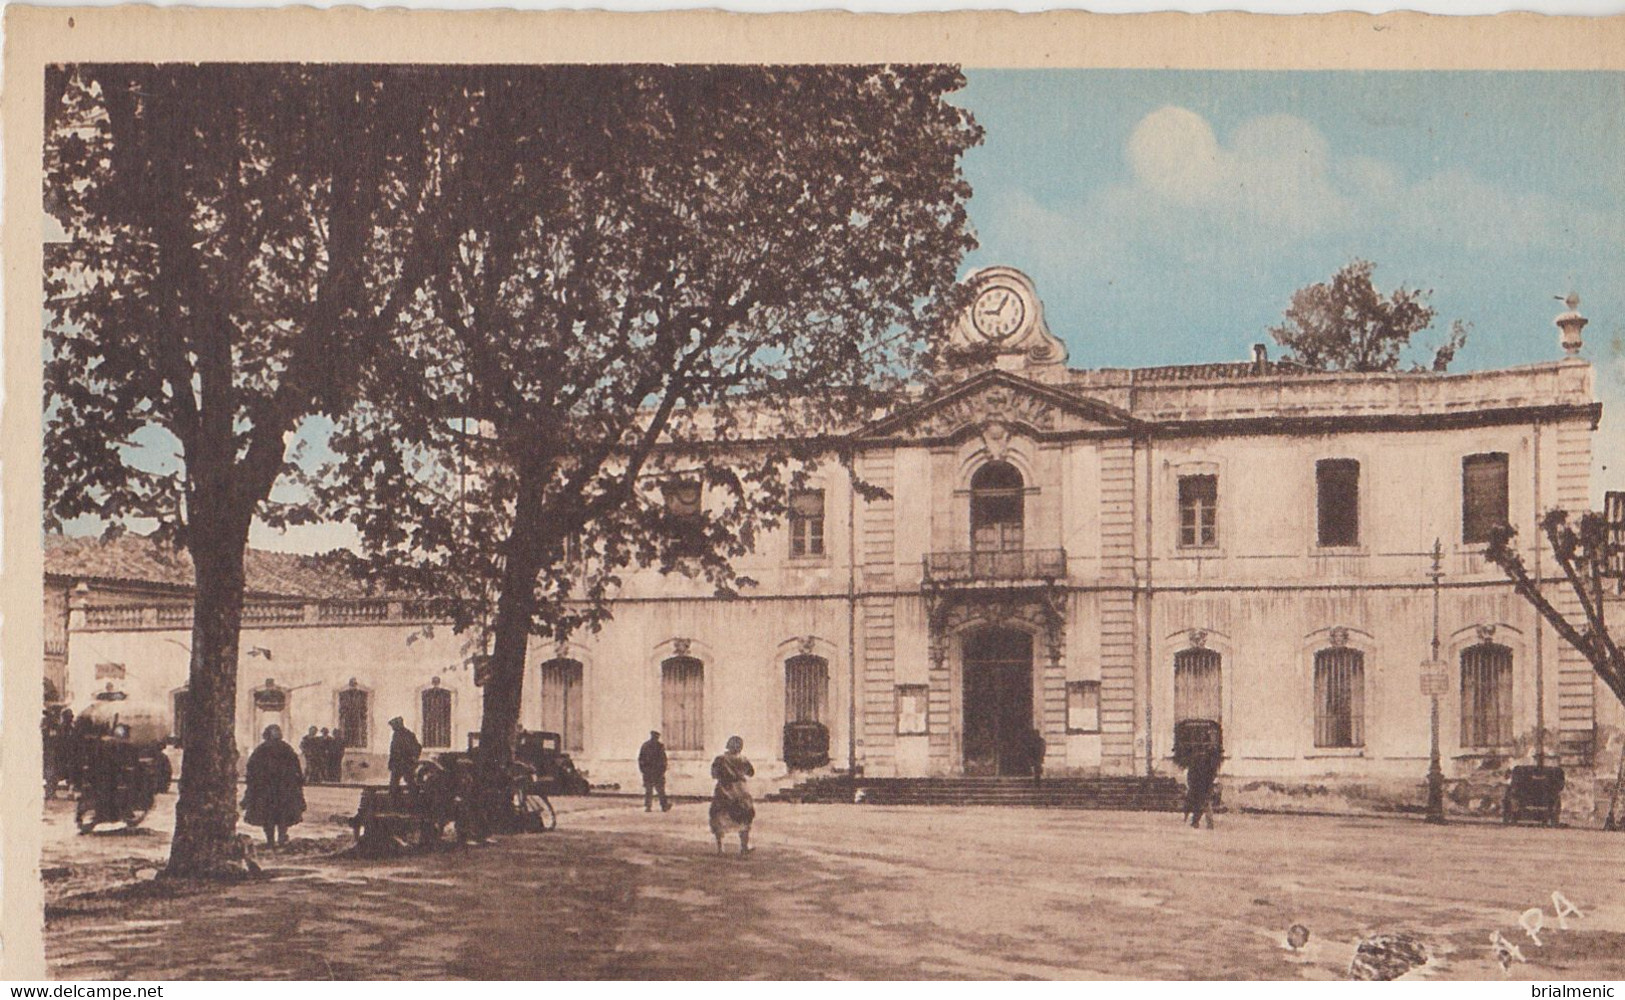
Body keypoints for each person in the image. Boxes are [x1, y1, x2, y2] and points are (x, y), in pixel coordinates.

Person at [242, 724, 305, 846]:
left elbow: (251, 768)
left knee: (270, 816)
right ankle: (278, 839)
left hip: (271, 790)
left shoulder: (262, 749)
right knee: (280, 815)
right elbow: (296, 767)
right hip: (277, 789)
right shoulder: (284, 748)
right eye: (275, 732)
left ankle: (273, 840)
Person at [709, 735, 755, 855]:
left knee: (719, 816)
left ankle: (720, 848)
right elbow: (751, 773)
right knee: (745, 815)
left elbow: (714, 774)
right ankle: (744, 846)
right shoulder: (743, 759)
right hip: (740, 790)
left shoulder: (720, 759)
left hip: (723, 789)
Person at [1185, 744, 1221, 829]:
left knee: (1200, 804)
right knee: (1205, 804)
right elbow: (1212, 774)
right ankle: (1206, 823)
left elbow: (1191, 775)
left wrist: (1191, 785)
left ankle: (1197, 822)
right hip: (1205, 786)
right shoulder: (1209, 762)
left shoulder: (1196, 760)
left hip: (1199, 786)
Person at [387, 716, 421, 797]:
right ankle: (395, 801)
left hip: (406, 763)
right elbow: (393, 751)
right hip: (397, 763)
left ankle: (415, 800)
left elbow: (418, 747)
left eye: (394, 726)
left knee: (410, 782)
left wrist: (414, 757)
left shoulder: (408, 735)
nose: (392, 728)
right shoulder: (396, 735)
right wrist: (391, 762)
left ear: (399, 725)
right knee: (394, 783)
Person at [638, 730, 671, 812]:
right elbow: (663, 760)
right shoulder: (659, 746)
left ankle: (648, 807)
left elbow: (640, 760)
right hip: (657, 772)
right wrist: (662, 770)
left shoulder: (645, 746)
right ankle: (664, 806)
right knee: (660, 790)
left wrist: (643, 770)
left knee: (648, 790)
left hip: (648, 772)